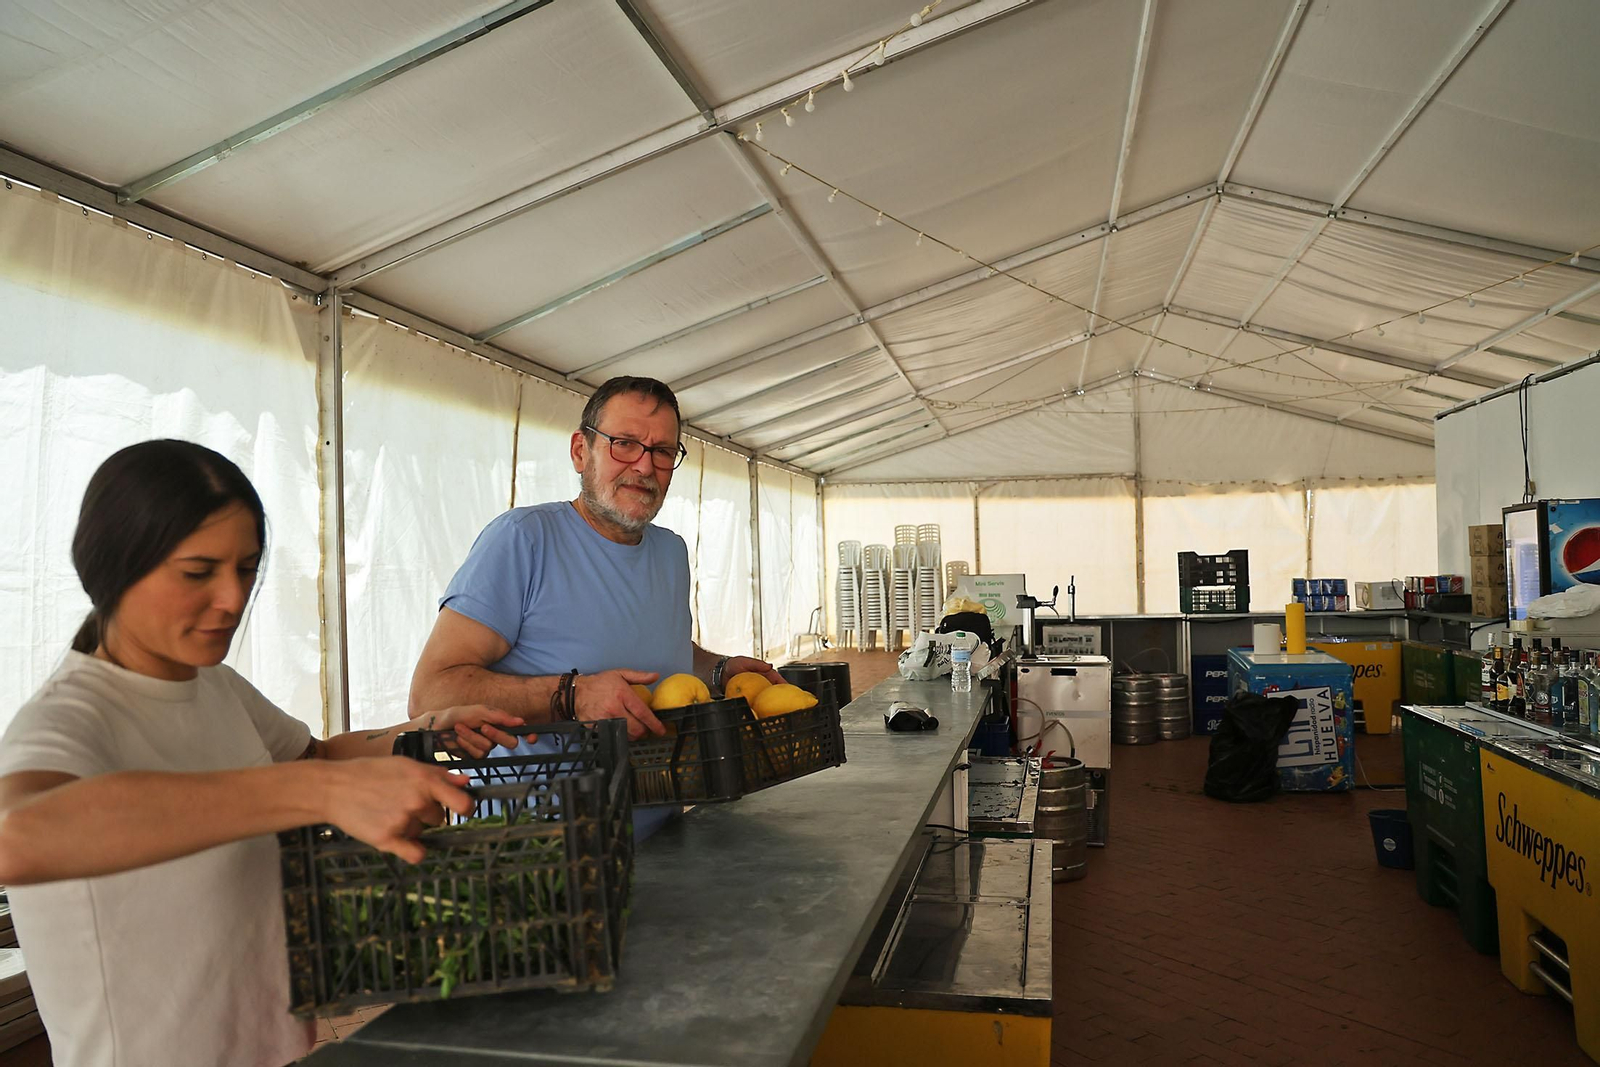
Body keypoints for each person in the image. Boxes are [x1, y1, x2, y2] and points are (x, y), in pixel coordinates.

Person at [0, 440, 525, 1067]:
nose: (232, 599)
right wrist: (315, 796)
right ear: (114, 566)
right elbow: (17, 836)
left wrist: (426, 729)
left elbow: (320, 757)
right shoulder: (70, 718)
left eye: (246, 568)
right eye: (198, 572)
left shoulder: (210, 683)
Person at [409, 375, 782, 836]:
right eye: (624, 444)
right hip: (536, 849)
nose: (645, 467)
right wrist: (572, 695)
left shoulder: (670, 552)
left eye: (663, 451)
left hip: (659, 829)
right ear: (580, 452)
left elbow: (654, 647)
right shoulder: (523, 539)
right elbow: (431, 693)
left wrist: (719, 669)